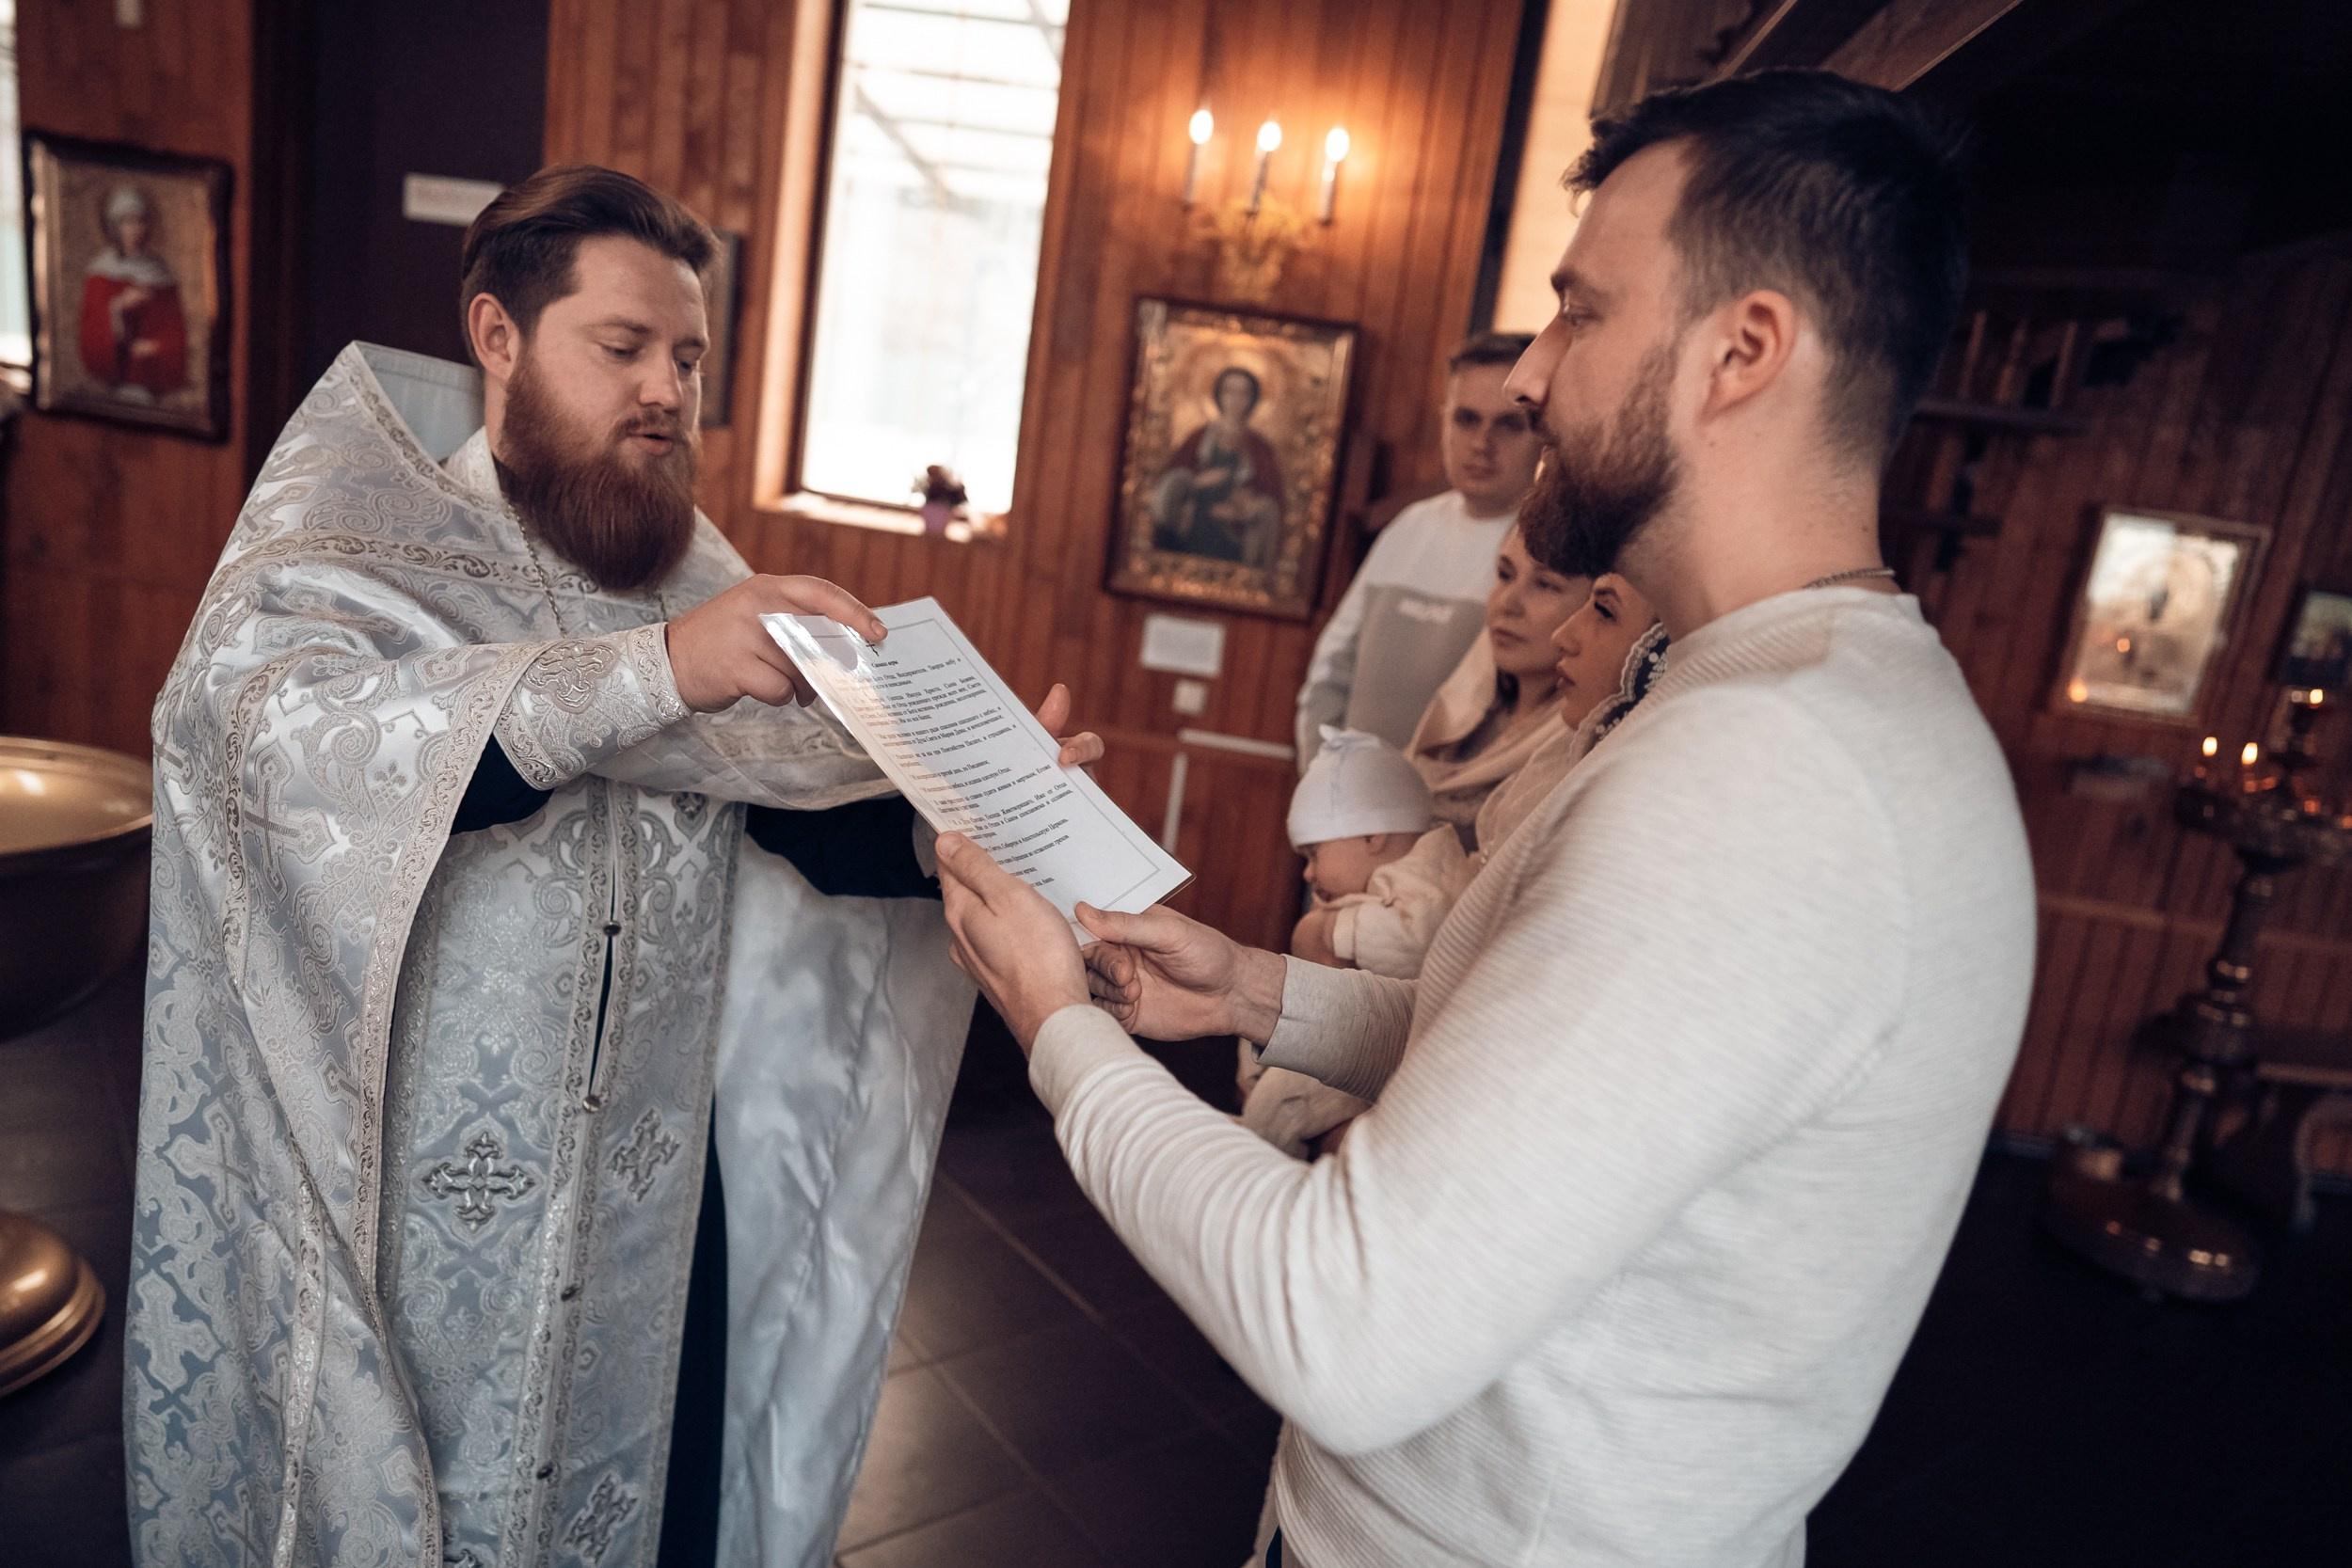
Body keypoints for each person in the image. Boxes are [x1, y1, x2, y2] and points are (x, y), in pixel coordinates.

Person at [933, 69, 2036, 1568]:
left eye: (1580, 310)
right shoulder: (1759, 694)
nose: (1527, 376)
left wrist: (1061, 1029)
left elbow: (1341, 1318)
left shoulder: (1767, 774)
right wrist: (1259, 989)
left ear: (1743, 351)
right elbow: (1559, 1092)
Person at [125, 165, 1099, 1568]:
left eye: (689, 358)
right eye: (625, 347)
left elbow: (786, 801)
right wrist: (653, 673)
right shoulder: (348, 550)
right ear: (499, 336)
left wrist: (970, 813)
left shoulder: (691, 571)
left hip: (646, 1204)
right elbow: (272, 748)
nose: (667, 390)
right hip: (410, 1207)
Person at [1295, 332, 1542, 761]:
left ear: (1543, 433)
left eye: (1508, 424)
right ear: (1444, 421)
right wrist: (1325, 778)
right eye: (1467, 419)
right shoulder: (1409, 527)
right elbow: (1332, 671)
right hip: (1352, 805)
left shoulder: (1548, 550)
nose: (1482, 443)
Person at [1238, 729, 1433, 1156]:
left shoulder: (1428, 880)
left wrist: (1332, 929)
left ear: (1371, 835)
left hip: (1396, 1055)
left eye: (1314, 854)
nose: (1308, 874)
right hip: (1369, 1041)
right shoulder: (1390, 885)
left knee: (1274, 1108)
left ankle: (1255, 1154)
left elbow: (1415, 942)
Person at [1404, 524, 1588, 847]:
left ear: (1595, 608)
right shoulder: (1463, 722)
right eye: (1505, 574)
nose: (1508, 603)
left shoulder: (1574, 751)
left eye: (1546, 585)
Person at [1150, 365, 1286, 564]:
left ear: (1253, 399)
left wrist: (1247, 509)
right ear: (1218, 394)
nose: (1235, 400)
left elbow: (1273, 501)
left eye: (1243, 393)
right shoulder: (1198, 439)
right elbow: (1168, 487)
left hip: (1234, 542)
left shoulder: (1261, 449)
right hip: (1192, 531)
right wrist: (1195, 482)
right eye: (1229, 391)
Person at [77, 184, 188, 403]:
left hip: (153, 382)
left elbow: (176, 335)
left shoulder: (161, 274)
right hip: (115, 386)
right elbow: (90, 340)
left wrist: (156, 347)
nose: (136, 229)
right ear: (114, 227)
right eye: (128, 221)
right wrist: (116, 309)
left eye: (141, 221)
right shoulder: (100, 275)